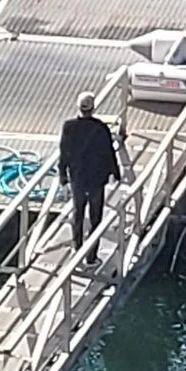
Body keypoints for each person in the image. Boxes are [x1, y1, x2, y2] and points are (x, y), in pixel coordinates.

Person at [58, 89, 123, 265]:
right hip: (96, 179)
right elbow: (109, 153)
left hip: (77, 177)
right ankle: (91, 256)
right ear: (93, 107)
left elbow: (64, 153)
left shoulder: (68, 127)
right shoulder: (101, 128)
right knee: (95, 217)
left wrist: (63, 176)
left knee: (78, 213)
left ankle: (77, 247)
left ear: (78, 106)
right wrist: (115, 173)